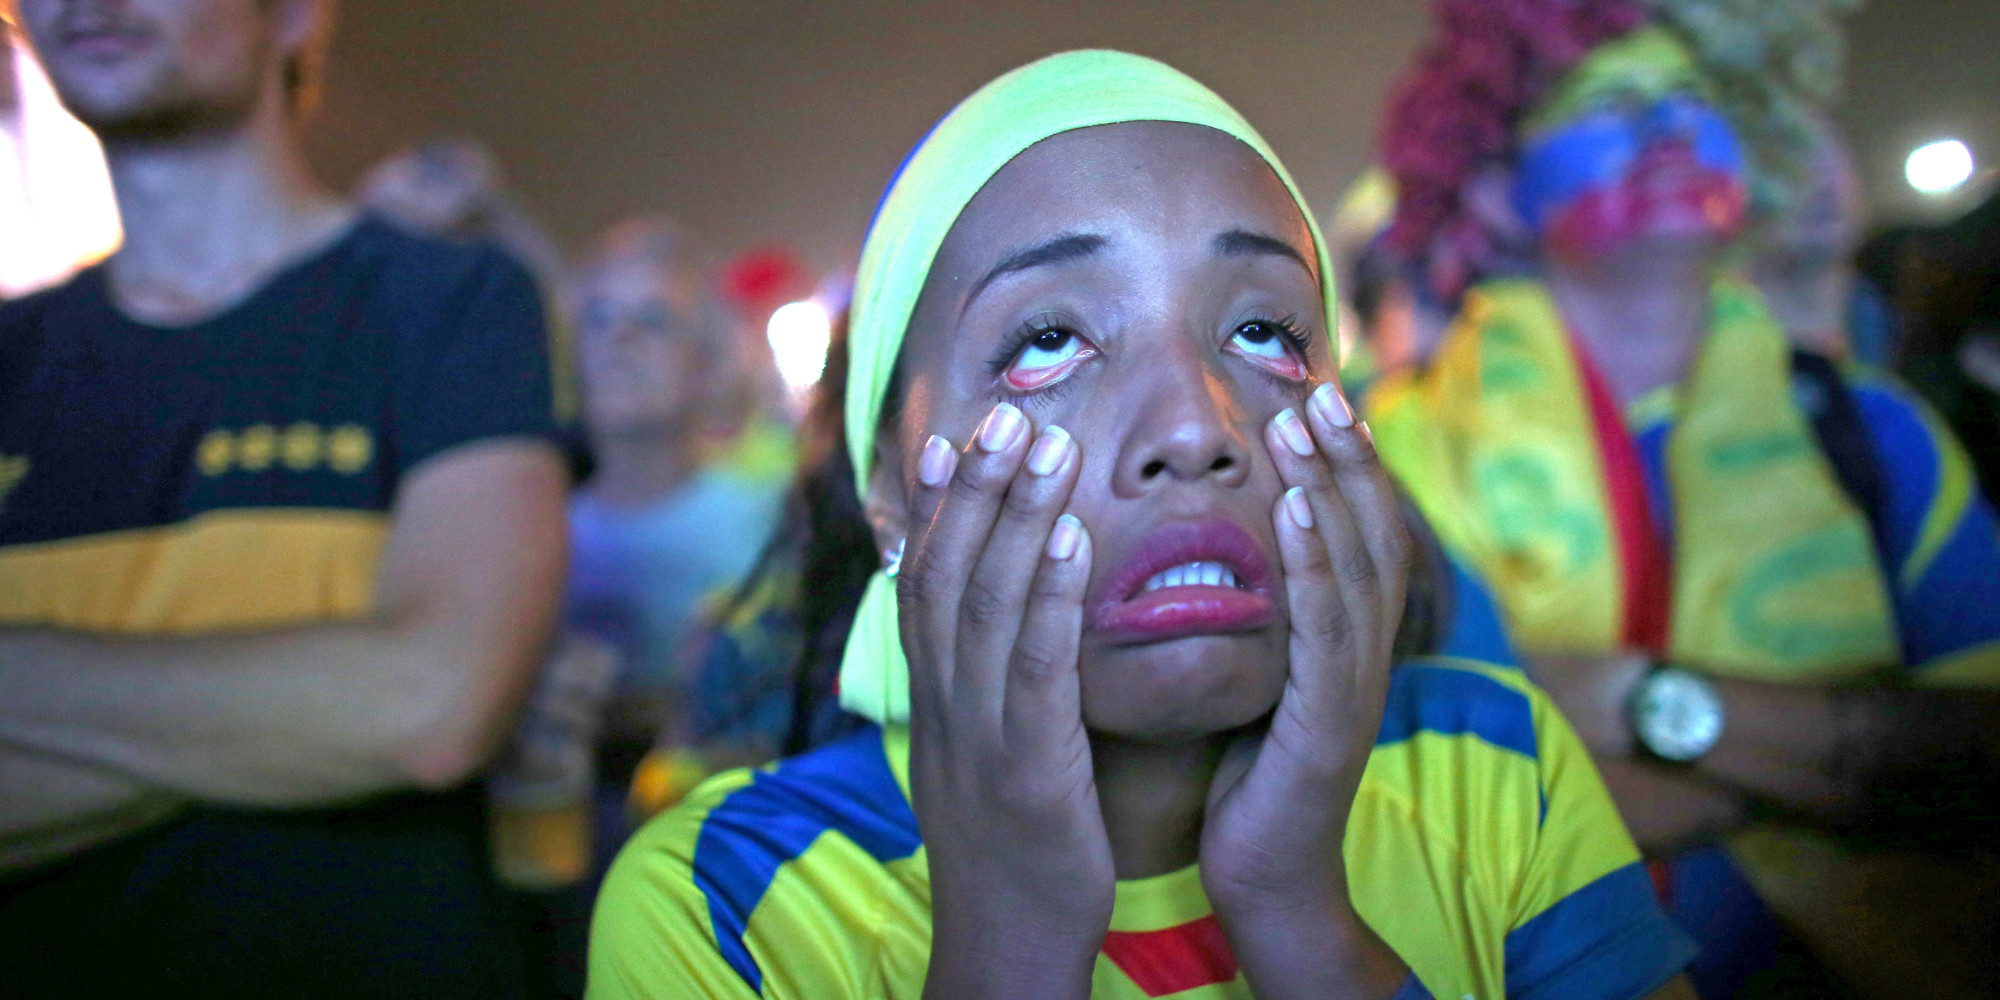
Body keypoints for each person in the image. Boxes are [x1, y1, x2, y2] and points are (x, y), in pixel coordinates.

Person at [589, 49, 1697, 1000]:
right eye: (1044, 343)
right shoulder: (722, 902)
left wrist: (1303, 918)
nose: (1193, 425)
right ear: (887, 485)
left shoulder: (1497, 771)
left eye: (1262, 329)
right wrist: (1008, 944)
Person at [1371, 2, 2000, 997]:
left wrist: (1645, 704)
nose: (1667, 126)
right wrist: (1812, 766)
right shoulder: (1385, 460)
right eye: (1612, 103)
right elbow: (1393, 808)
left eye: (1695, 101)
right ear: (1494, 191)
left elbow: (1981, 753)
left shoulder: (1867, 429)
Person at [0, 2, 567, 997]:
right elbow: (405, 699)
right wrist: (301, 720)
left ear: (298, 16)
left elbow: (430, 706)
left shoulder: (450, 304)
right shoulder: (11, 360)